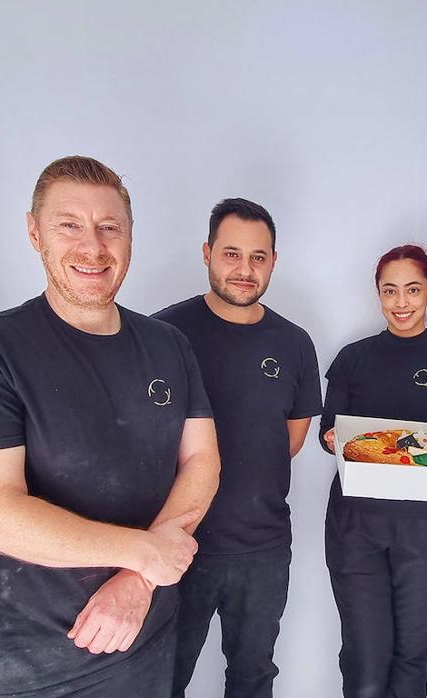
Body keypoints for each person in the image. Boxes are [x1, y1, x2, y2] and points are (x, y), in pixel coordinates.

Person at [0, 156, 220, 697]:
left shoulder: (168, 346)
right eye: (70, 226)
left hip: (142, 644)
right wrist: (140, 553)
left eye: (110, 228)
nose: (93, 247)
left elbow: (202, 460)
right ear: (34, 232)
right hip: (21, 666)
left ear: (131, 237)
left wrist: (138, 580)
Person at [154, 198, 323, 697]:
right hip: (177, 540)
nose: (244, 270)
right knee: (164, 676)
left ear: (273, 261)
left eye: (258, 256)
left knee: (253, 678)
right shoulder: (163, 334)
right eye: (231, 254)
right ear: (207, 253)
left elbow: (289, 440)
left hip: (263, 547)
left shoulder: (294, 343)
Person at [318, 244, 427, 698]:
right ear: (378, 295)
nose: (402, 302)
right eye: (390, 291)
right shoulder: (352, 358)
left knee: (412, 655)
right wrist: (334, 437)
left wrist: (368, 439)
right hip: (356, 527)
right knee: (365, 661)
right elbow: (330, 429)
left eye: (412, 289)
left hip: (426, 529)